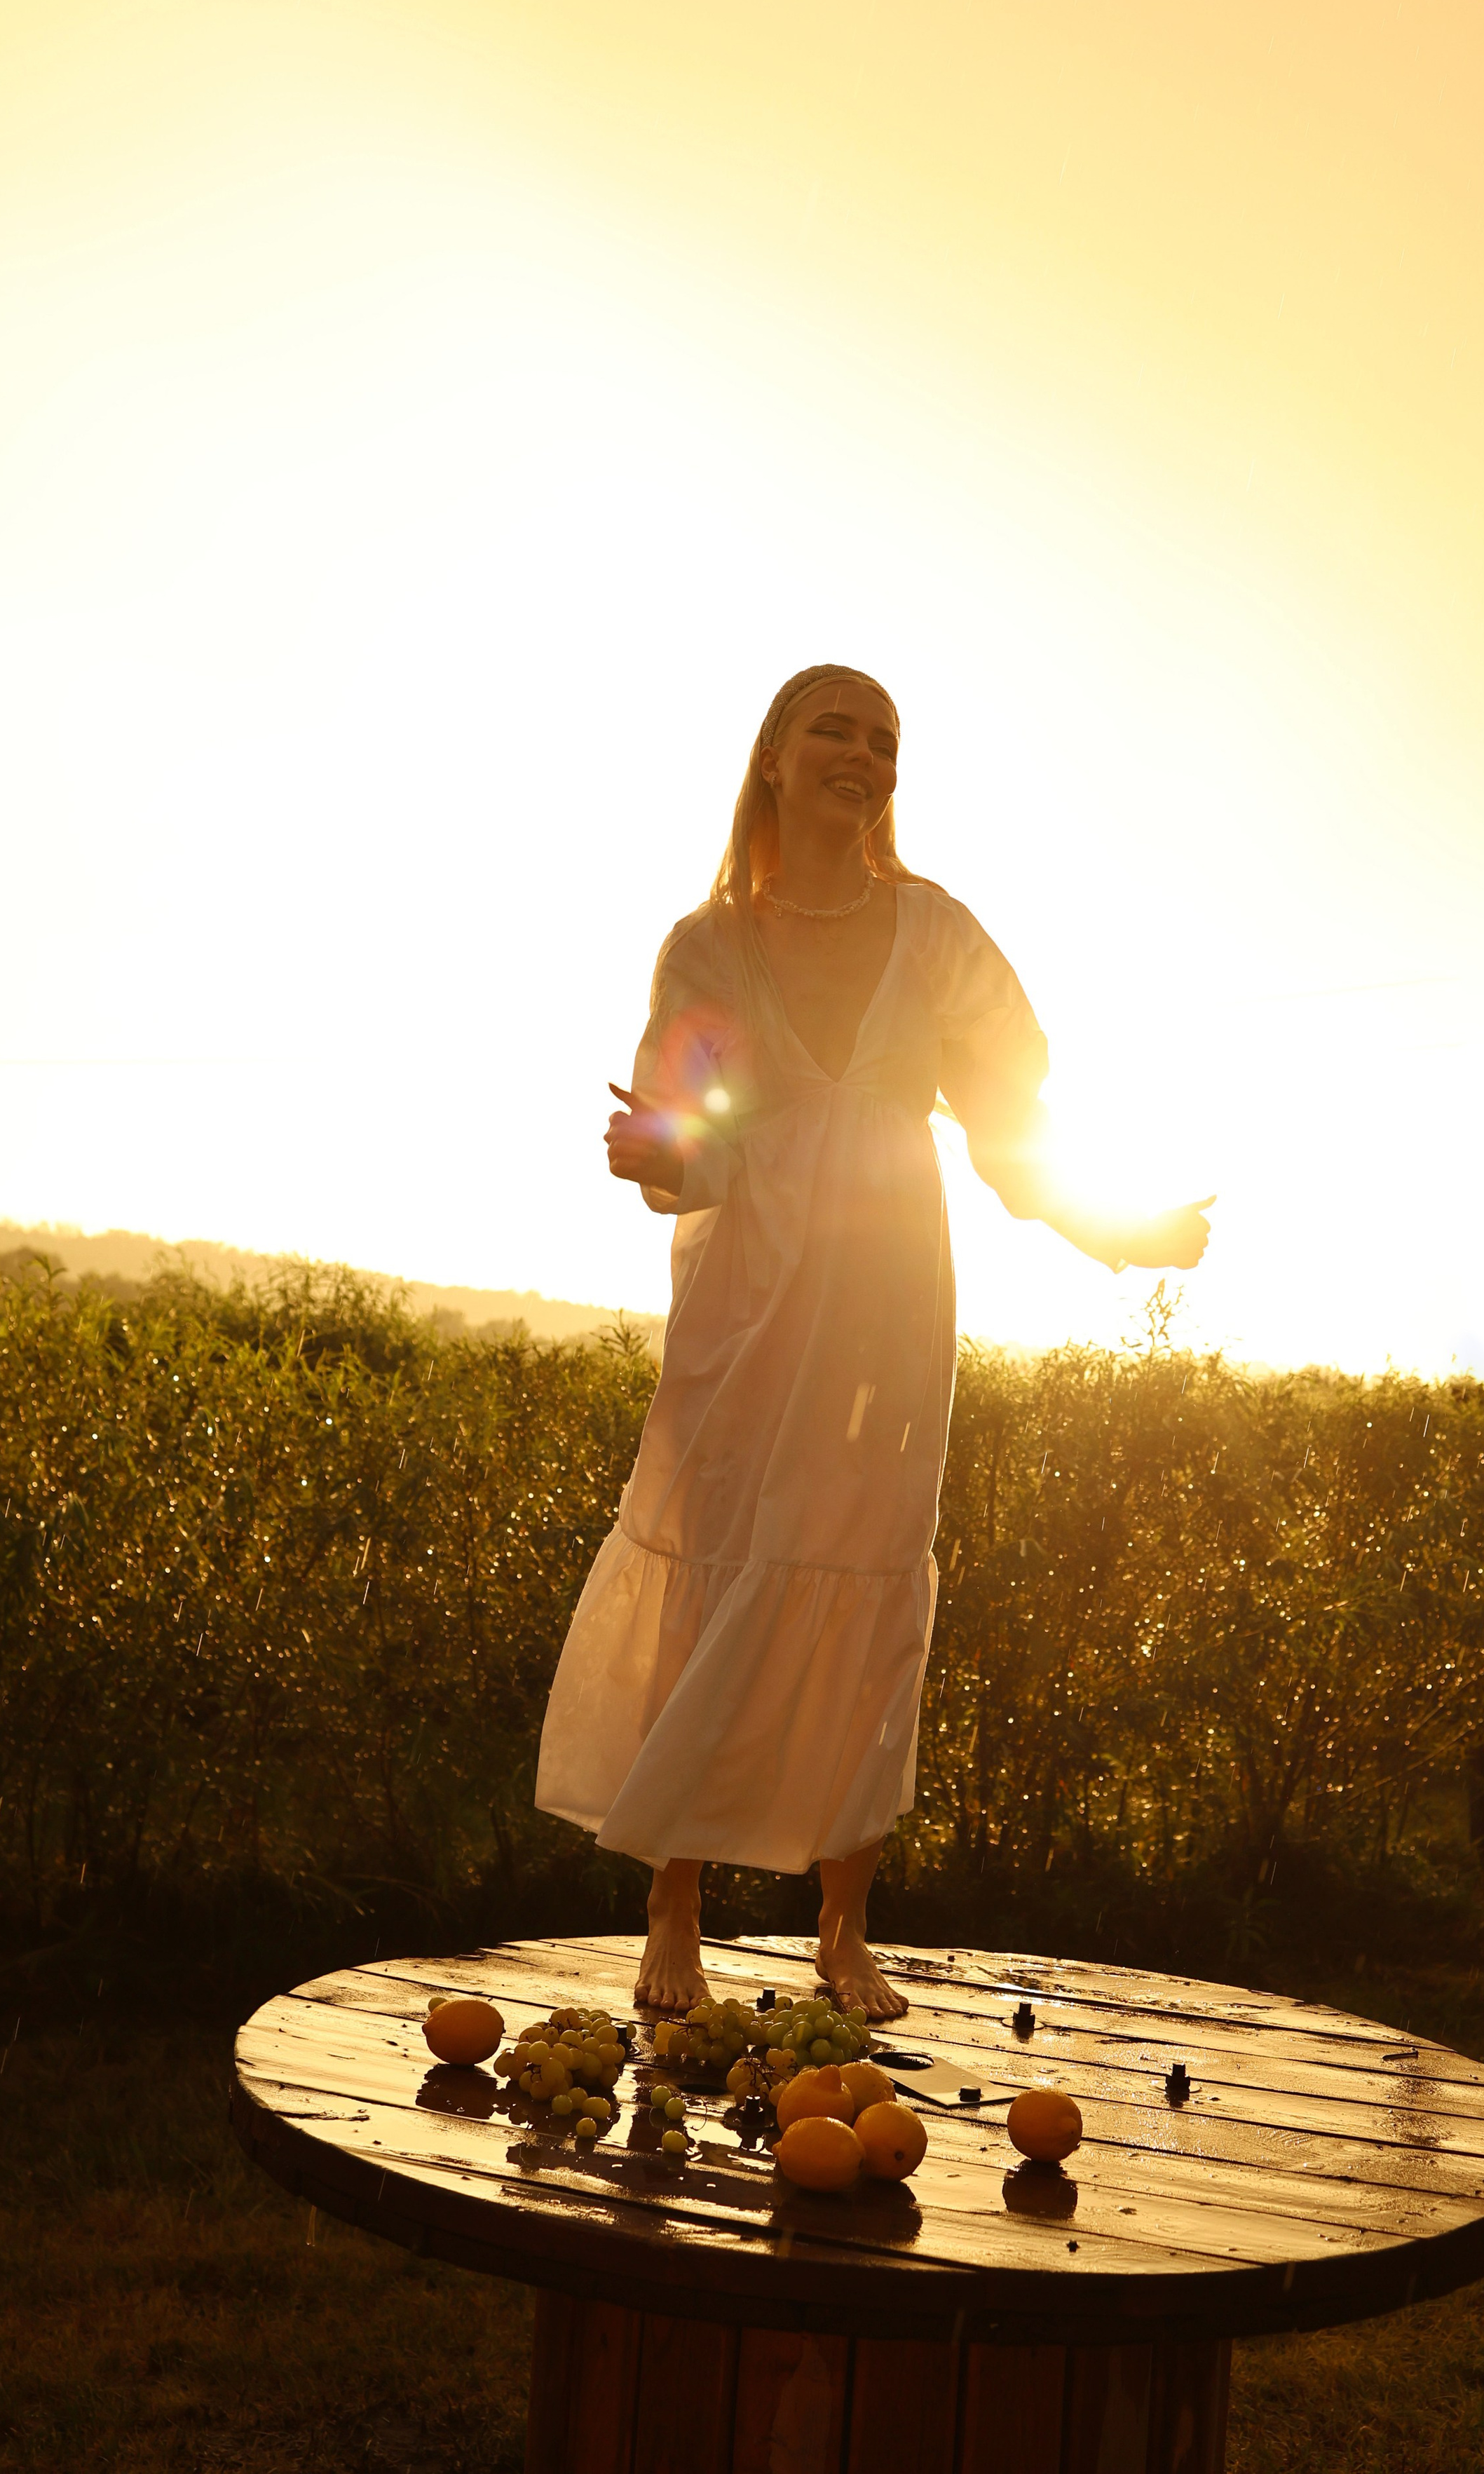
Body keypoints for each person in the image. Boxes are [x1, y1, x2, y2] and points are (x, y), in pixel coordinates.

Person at [535, 665, 1211, 2017]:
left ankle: (845, 1927)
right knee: (718, 1566)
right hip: (749, 1314)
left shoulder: (936, 932)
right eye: (833, 729)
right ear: (774, 759)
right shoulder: (708, 946)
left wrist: (1120, 1231)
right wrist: (648, 1156)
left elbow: (1012, 1136)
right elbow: (697, 1155)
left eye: (885, 739)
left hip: (892, 1313)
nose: (864, 752)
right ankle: (674, 1906)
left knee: (870, 1585)